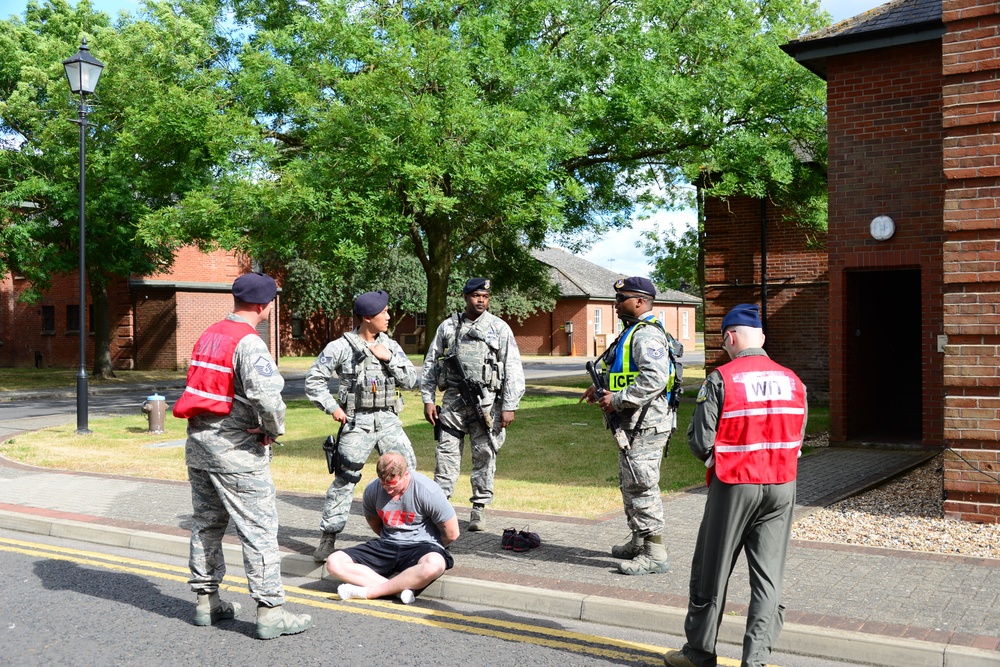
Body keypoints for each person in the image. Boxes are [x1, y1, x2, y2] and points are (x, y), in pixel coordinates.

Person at [664, 303, 807, 667]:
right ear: (760, 337)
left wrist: (720, 462)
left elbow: (700, 442)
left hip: (735, 484)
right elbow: (799, 439)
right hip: (782, 485)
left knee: (712, 570)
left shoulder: (722, 378)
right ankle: (756, 660)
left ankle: (699, 652)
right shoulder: (793, 380)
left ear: (730, 337)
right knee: (768, 579)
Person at [173, 271, 312, 640]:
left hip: (199, 447)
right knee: (259, 530)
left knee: (206, 523)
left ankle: (206, 601)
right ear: (264, 305)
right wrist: (271, 429)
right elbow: (268, 398)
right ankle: (271, 611)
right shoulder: (249, 343)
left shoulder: (209, 334)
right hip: (236, 452)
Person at [305, 290, 419, 562]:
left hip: (389, 421)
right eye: (384, 313)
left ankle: (412, 533)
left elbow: (411, 379)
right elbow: (314, 380)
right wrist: (332, 407)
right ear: (368, 317)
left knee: (408, 476)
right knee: (345, 479)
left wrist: (388, 358)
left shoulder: (390, 345)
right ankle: (328, 537)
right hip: (358, 423)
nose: (389, 316)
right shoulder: (340, 347)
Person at [581, 276, 678, 575]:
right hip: (634, 425)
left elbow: (654, 378)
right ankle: (639, 541)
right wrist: (601, 390)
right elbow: (628, 373)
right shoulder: (632, 331)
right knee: (631, 484)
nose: (616, 303)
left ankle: (655, 553)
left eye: (621, 299)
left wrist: (618, 400)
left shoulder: (646, 335)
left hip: (646, 425)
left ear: (639, 302)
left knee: (643, 486)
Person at [420, 277, 525, 532]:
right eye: (476, 295)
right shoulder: (448, 326)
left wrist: (509, 405)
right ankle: (441, 508)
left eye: (485, 297)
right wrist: (427, 399)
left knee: (485, 455)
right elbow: (431, 363)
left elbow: (513, 368)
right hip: (453, 404)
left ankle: (479, 509)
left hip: (486, 405)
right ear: (466, 297)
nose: (481, 300)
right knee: (445, 456)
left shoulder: (499, 328)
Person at [327, 452, 459, 603]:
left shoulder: (428, 491)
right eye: (384, 486)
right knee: (334, 562)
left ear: (406, 474)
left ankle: (370, 592)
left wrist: (432, 545)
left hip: (421, 547)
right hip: (387, 544)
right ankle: (398, 590)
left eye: (394, 486)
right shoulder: (372, 489)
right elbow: (375, 523)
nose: (389, 492)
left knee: (435, 565)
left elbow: (452, 533)